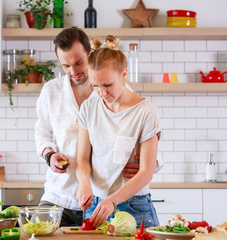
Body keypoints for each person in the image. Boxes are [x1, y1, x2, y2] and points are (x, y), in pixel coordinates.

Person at [34, 27, 162, 227]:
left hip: (119, 197)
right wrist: (49, 155)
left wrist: (147, 162)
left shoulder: (128, 97)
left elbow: (137, 143)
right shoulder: (55, 93)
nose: (73, 72)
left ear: (90, 55)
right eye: (66, 65)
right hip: (64, 193)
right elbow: (42, 134)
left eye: (78, 63)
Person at [76, 35, 161, 228]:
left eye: (107, 85)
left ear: (124, 74)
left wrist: (113, 200)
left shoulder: (145, 112)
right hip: (96, 206)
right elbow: (82, 158)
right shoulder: (89, 107)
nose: (102, 93)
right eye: (95, 86)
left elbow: (146, 172)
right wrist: (84, 184)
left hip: (135, 206)